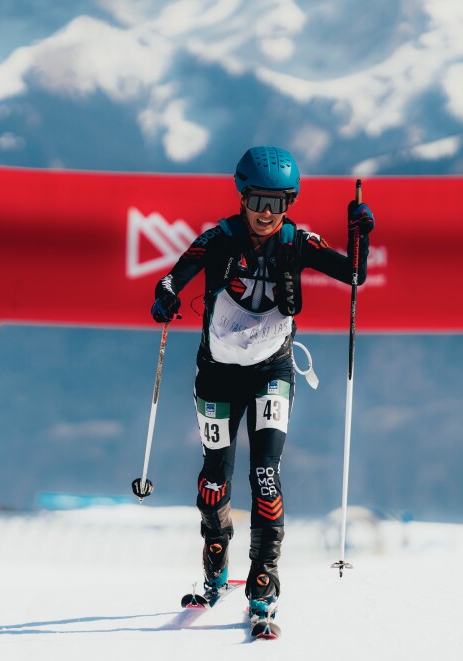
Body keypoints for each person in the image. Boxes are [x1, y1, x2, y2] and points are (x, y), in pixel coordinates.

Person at [149, 146, 375, 624]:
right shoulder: (218, 239)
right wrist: (165, 295)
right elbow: (174, 278)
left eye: (278, 203)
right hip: (217, 372)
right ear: (242, 198)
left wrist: (361, 234)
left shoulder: (298, 242)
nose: (267, 215)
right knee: (215, 480)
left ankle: (264, 579)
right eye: (258, 203)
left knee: (266, 477)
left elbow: (354, 274)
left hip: (272, 370)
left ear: (289, 203)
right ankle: (215, 571)